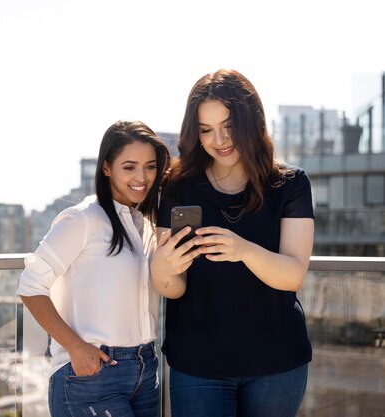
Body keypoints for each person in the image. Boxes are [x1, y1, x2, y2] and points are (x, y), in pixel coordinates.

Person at [150, 69, 315, 417]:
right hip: (197, 364)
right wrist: (163, 268)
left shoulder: (291, 184)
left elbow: (293, 275)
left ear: (251, 122)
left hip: (278, 362)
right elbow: (173, 288)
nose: (219, 140)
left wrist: (242, 250)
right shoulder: (178, 187)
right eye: (206, 130)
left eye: (229, 126)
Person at [17, 120, 170, 417]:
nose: (142, 177)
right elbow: (30, 286)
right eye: (129, 167)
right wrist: (75, 348)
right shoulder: (83, 219)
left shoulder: (147, 226)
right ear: (106, 168)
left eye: (150, 166)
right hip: (92, 374)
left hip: (146, 370)